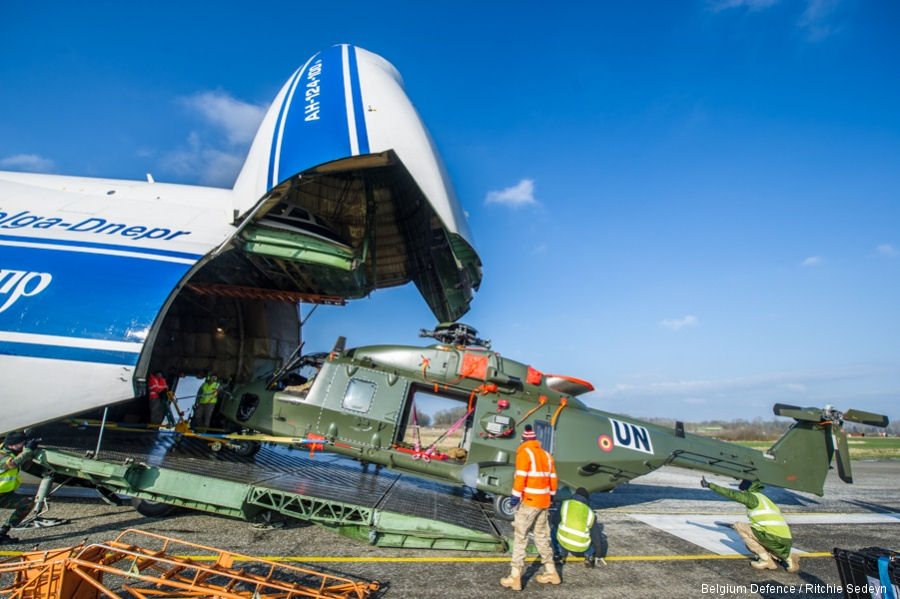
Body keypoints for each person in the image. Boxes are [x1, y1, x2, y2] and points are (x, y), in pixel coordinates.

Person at [500, 424, 560, 591]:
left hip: (530, 502)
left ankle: (515, 577)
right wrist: (551, 496)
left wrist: (514, 498)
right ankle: (551, 572)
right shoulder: (547, 455)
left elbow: (520, 478)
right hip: (544, 502)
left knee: (521, 536)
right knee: (541, 536)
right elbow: (553, 478)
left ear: (523, 440)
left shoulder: (524, 453)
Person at [701, 477, 799, 573]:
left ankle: (766, 561)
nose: (741, 493)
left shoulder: (751, 498)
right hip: (785, 539)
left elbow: (731, 494)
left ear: (746, 489)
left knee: (739, 526)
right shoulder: (762, 498)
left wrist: (710, 485)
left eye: (742, 491)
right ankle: (788, 557)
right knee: (755, 534)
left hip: (774, 538)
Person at [551, 487, 605, 568]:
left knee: (554, 529)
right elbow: (596, 537)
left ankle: (560, 555)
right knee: (593, 535)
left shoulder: (565, 504)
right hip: (581, 547)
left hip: (564, 542)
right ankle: (588, 557)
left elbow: (555, 521)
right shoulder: (590, 512)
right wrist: (599, 554)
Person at [0, 432, 39, 544]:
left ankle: (3, 531)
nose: (24, 445)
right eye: (22, 443)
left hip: (4, 495)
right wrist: (28, 450)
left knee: (27, 504)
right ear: (12, 445)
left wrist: (30, 451)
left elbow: (25, 464)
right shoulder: (2, 456)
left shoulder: (11, 451)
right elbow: (13, 463)